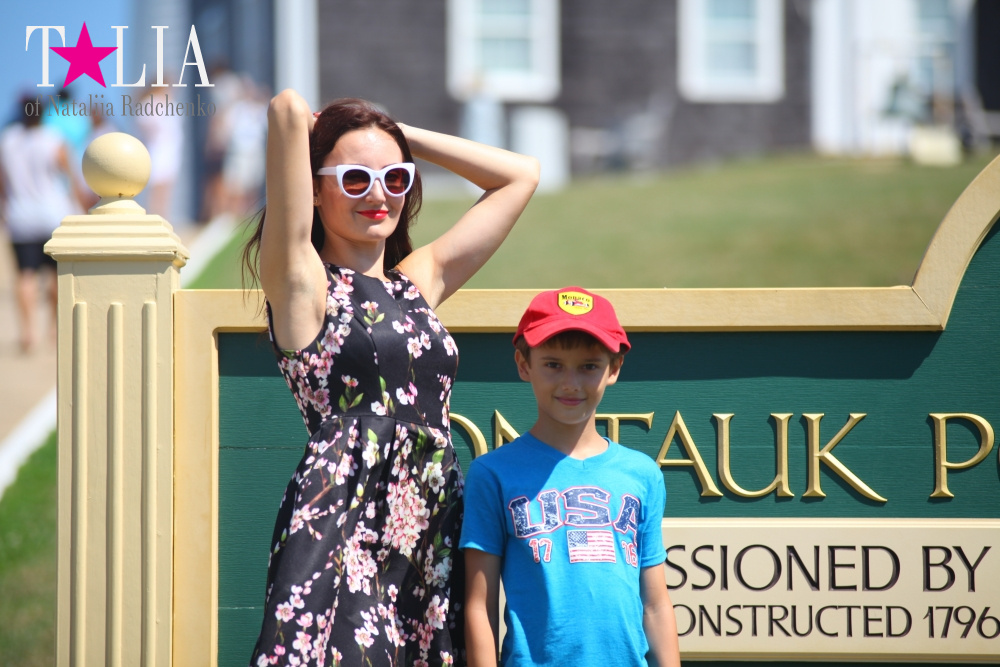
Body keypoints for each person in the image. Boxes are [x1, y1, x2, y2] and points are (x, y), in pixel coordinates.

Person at [242, 89, 539, 667]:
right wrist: (341, 126)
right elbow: (284, 109)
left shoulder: (418, 281)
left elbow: (519, 176)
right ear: (316, 186)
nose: (378, 194)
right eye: (354, 179)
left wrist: (396, 134)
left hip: (429, 523)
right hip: (343, 525)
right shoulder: (301, 282)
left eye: (395, 178)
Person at [460, 287, 681, 667]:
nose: (571, 383)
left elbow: (656, 604)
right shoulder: (492, 474)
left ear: (614, 369)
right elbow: (480, 606)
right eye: (553, 364)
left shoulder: (642, 474)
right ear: (523, 364)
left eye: (589, 366)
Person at [0, 95, 82, 353]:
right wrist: (80, 206)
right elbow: (70, 178)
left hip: (19, 216)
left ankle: (27, 332)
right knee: (55, 276)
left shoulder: (8, 140)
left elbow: (3, 182)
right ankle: (53, 327)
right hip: (52, 216)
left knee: (25, 275)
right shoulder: (53, 139)